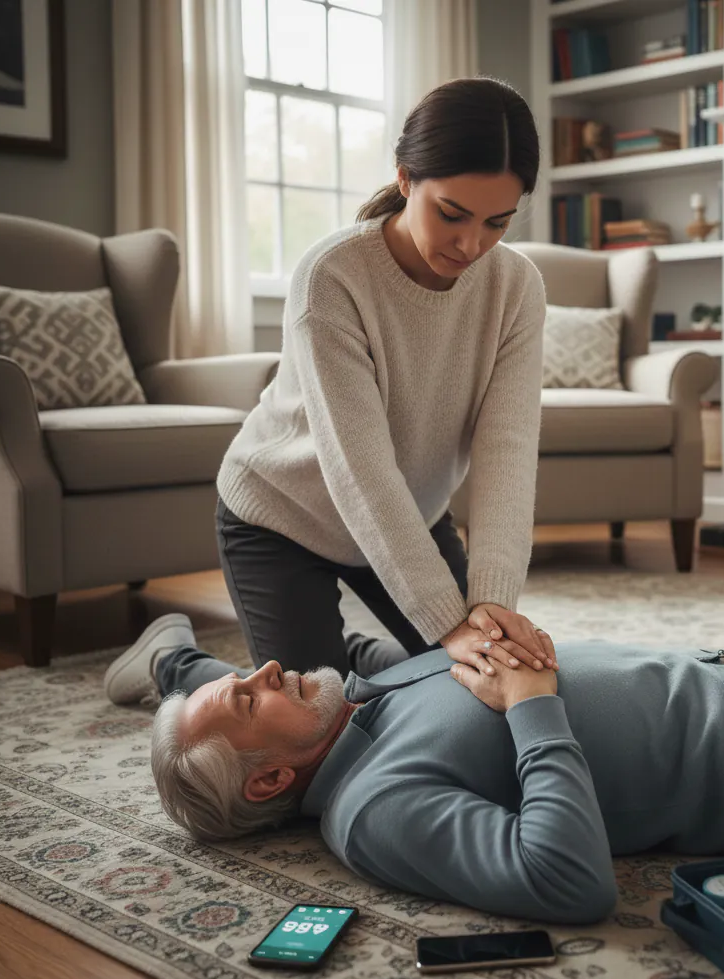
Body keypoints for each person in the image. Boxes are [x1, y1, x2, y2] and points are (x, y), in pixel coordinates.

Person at [108, 614, 724, 925]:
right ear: (269, 782)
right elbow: (565, 879)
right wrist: (532, 701)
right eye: (245, 698)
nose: (261, 670)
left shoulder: (358, 702)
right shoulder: (373, 812)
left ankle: (166, 661)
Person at [136, 76, 557, 713]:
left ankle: (349, 655)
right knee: (316, 722)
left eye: (497, 222)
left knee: (478, 689)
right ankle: (172, 659)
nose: (472, 245)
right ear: (406, 178)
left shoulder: (517, 287)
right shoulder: (331, 276)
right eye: (452, 214)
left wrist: (490, 609)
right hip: (283, 516)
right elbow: (360, 472)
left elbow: (508, 450)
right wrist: (449, 625)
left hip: (409, 516)